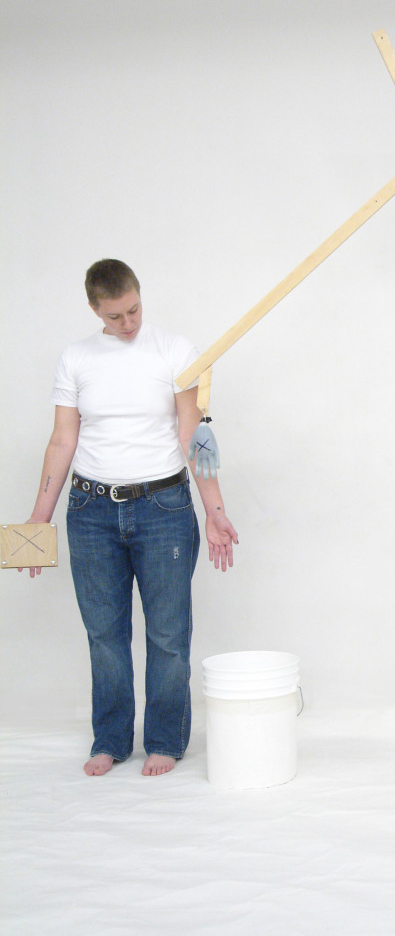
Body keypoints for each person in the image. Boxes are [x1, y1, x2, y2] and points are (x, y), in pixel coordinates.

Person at [22, 259, 238, 778]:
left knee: (168, 632)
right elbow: (62, 440)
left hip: (163, 508)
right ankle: (111, 740)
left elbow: (194, 434)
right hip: (91, 510)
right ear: (95, 309)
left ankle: (165, 739)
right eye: (115, 315)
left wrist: (215, 511)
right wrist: (37, 522)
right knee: (104, 633)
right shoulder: (76, 358)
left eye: (134, 309)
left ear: (141, 296)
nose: (128, 323)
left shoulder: (174, 351)